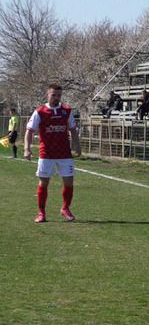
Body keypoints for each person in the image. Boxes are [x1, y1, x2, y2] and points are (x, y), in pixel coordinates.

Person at [24, 83, 80, 223]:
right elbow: (29, 130)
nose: (56, 98)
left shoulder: (67, 111)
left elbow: (73, 129)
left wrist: (76, 146)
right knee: (44, 183)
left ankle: (65, 208)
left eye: (59, 95)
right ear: (47, 94)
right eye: (53, 95)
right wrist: (27, 148)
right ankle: (41, 213)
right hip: (46, 154)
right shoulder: (40, 111)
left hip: (64, 154)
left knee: (69, 182)